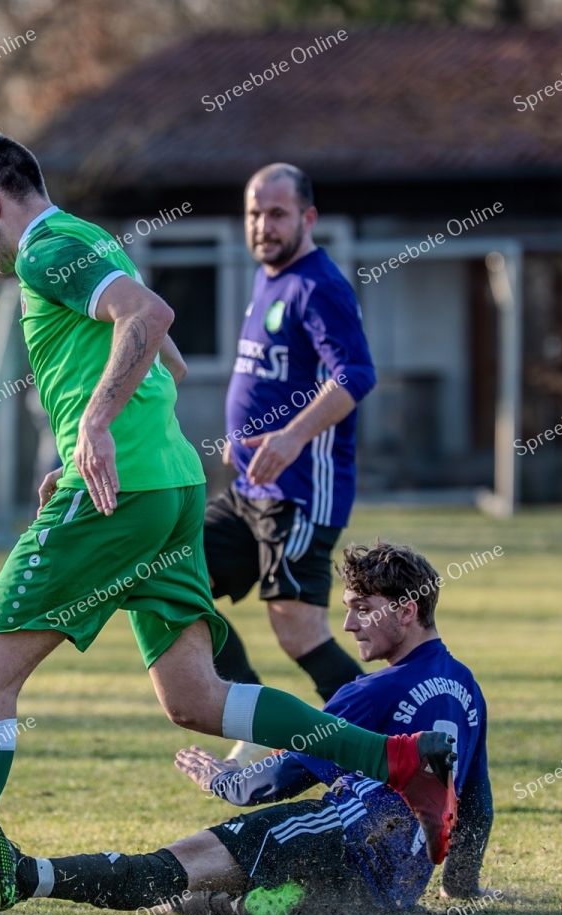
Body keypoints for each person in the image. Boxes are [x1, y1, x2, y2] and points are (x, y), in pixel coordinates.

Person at [0, 128, 455, 915]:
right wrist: (89, 436)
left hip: (122, 493)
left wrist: (94, 429)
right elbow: (166, 357)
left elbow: (150, 317)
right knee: (196, 700)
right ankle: (400, 760)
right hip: (168, 486)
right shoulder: (91, 238)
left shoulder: (44, 249)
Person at [0, 541, 495, 915]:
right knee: (224, 892)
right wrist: (460, 886)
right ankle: (250, 903)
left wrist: (222, 778)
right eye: (347, 610)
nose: (349, 625)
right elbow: (475, 803)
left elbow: (278, 780)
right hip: (395, 886)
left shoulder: (373, 692)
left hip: (342, 841)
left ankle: (24, 875)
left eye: (362, 610)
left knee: (168, 870)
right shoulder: (467, 688)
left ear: (407, 610)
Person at [209, 164, 377, 762]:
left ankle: (392, 751)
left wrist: (291, 436)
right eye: (254, 213)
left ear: (308, 218)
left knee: (297, 630)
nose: (263, 225)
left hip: (301, 492)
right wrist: (243, 440)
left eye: (277, 213)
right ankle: (255, 721)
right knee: (172, 577)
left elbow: (355, 374)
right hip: (249, 489)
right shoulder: (267, 278)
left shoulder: (318, 285)